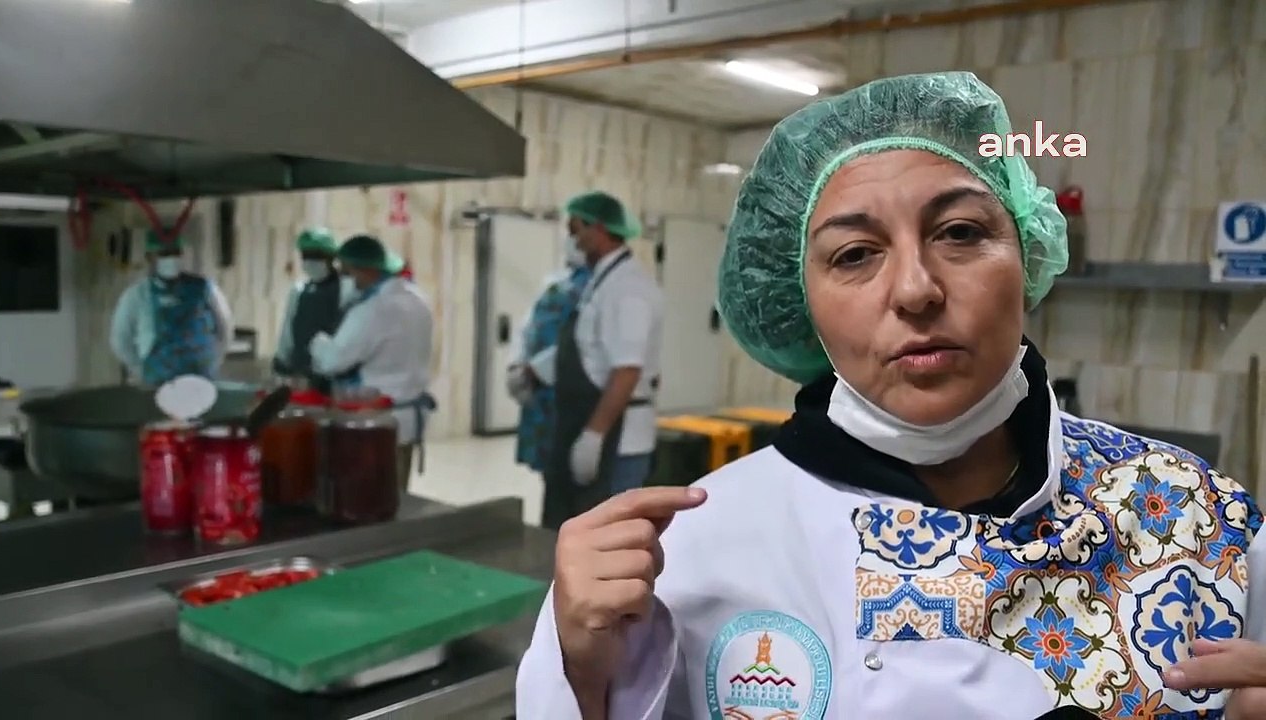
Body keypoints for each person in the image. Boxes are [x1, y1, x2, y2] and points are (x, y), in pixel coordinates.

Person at [514, 72, 1264, 718]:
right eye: (855, 254)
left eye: (962, 232)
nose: (915, 289)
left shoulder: (1202, 522)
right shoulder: (691, 555)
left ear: (1029, 250)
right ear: (797, 296)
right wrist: (582, 667)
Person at [538, 191, 663, 532]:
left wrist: (594, 436)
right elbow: (591, 350)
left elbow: (626, 370)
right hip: (588, 420)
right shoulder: (603, 281)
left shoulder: (629, 288)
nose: (574, 240)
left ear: (600, 228)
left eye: (577, 229)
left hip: (617, 441)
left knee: (608, 541)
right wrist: (537, 371)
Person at [310, 235, 434, 484]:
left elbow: (334, 361)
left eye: (346, 273)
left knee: (368, 495)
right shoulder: (418, 299)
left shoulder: (372, 310)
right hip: (408, 415)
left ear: (363, 270)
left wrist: (318, 343)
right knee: (398, 490)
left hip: (373, 421)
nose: (345, 280)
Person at [506, 236, 594, 475]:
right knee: (546, 465)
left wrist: (537, 369)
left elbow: (582, 340)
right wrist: (517, 363)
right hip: (536, 389)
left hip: (566, 387)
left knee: (565, 466)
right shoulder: (555, 282)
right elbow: (528, 326)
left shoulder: (598, 286)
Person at [109, 230, 233, 386]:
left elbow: (225, 328)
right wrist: (141, 371)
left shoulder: (205, 288)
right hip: (157, 384)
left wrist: (213, 361)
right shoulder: (136, 295)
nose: (171, 258)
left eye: (175, 252)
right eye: (164, 253)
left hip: (202, 382)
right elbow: (120, 340)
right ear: (149, 257)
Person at [272, 228, 347, 393]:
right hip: (303, 375)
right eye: (306, 256)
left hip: (335, 377)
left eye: (317, 256)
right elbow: (288, 329)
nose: (311, 261)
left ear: (331, 257)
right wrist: (281, 362)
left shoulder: (345, 290)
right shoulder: (299, 291)